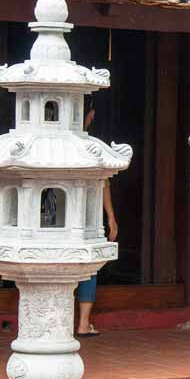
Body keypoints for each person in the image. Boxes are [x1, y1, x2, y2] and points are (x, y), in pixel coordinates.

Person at [76, 97, 118, 337]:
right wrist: (110, 217)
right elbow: (104, 184)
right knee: (88, 266)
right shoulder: (92, 147)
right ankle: (82, 323)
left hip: (51, 217)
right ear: (89, 114)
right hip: (86, 218)